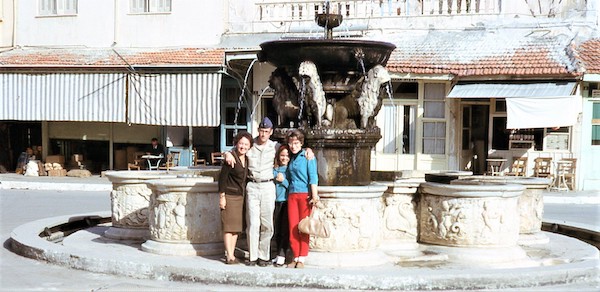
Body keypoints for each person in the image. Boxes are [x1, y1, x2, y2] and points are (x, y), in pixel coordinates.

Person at [285, 129, 319, 269]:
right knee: (293, 226)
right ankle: (295, 255)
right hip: (292, 195)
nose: (293, 146)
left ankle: (302, 258)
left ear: (301, 143)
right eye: (291, 143)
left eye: (296, 143)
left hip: (305, 195)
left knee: (303, 227)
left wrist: (314, 196)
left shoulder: (307, 156)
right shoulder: (290, 157)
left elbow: (313, 177)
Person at [218, 131, 252, 265]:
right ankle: (229, 255)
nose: (243, 146)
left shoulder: (247, 159)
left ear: (249, 146)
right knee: (228, 226)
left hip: (240, 196)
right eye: (241, 143)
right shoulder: (230, 158)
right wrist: (222, 196)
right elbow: (222, 179)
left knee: (236, 227)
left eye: (246, 144)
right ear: (236, 144)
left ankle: (231, 253)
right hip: (230, 195)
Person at [272, 145, 291, 267]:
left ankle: (282, 254)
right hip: (274, 201)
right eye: (282, 155)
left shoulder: (290, 170)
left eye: (287, 156)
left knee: (284, 229)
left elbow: (293, 185)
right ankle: (277, 253)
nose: (284, 158)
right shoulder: (274, 169)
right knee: (276, 229)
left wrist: (283, 180)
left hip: (286, 201)